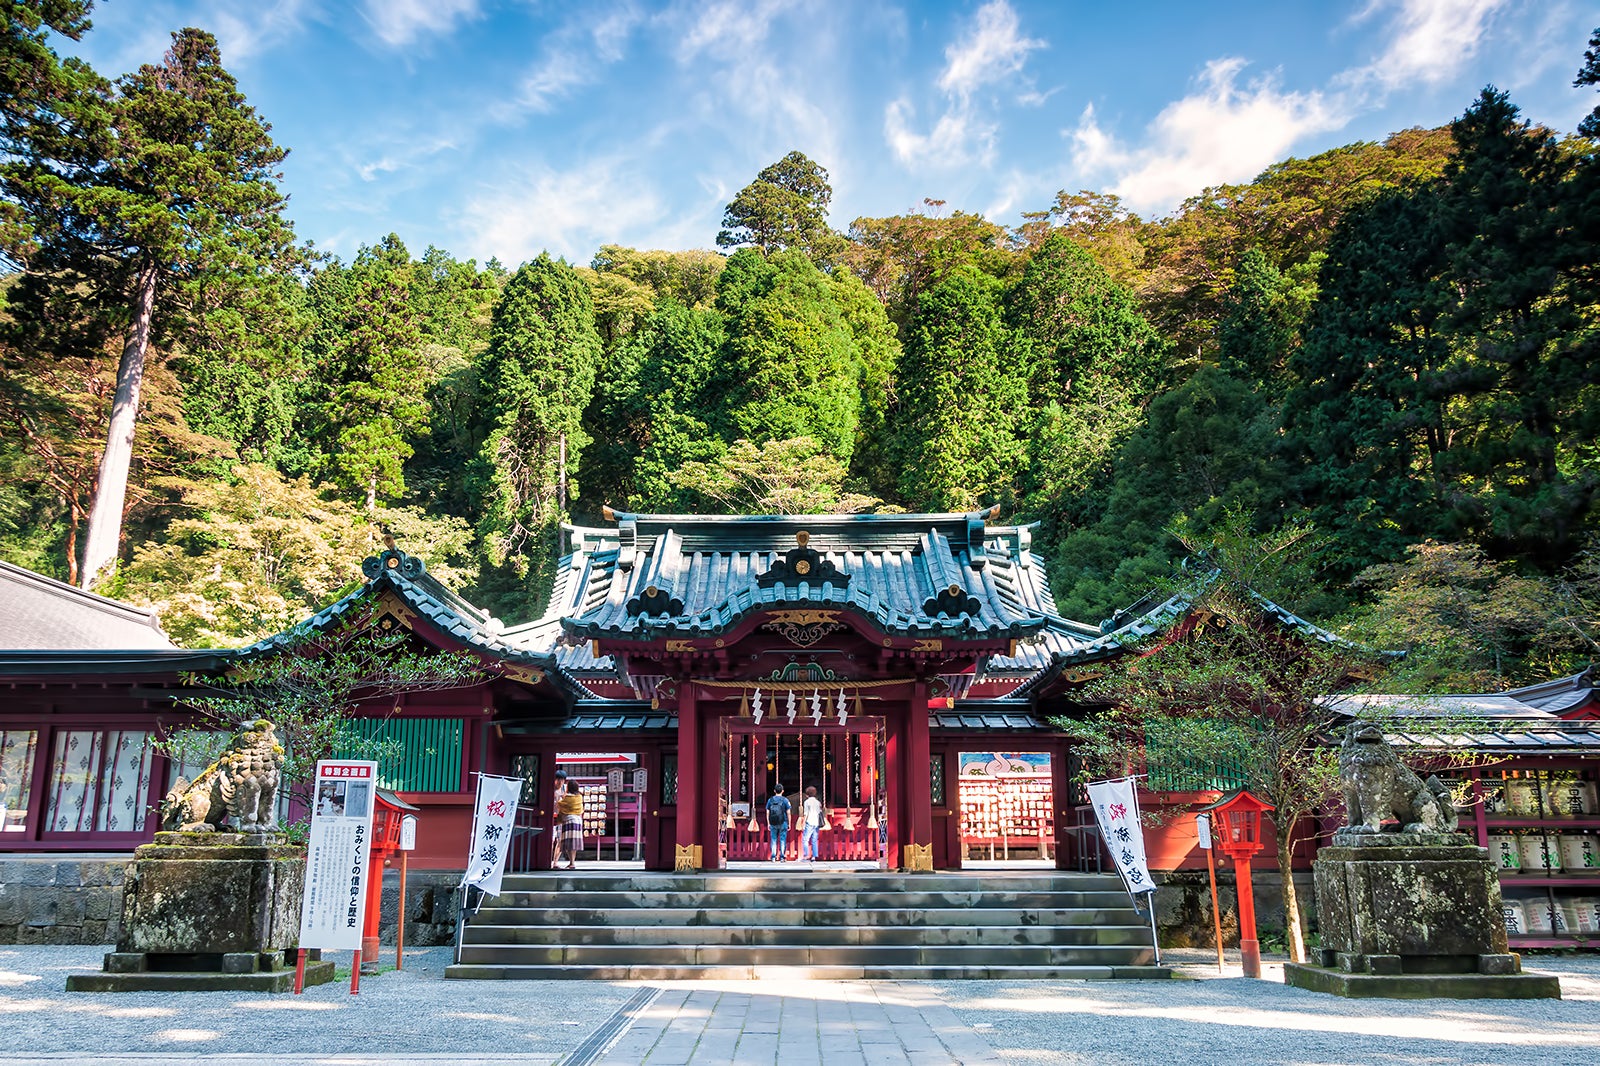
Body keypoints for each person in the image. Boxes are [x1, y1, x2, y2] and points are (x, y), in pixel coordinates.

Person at [553, 769, 584, 870]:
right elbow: (580, 809)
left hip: (565, 819)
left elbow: (560, 805)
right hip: (575, 820)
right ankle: (570, 863)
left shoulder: (566, 795)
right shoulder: (579, 796)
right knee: (569, 843)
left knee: (562, 841)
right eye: (558, 779)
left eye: (562, 780)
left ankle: (558, 863)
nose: (560, 782)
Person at [765, 784, 791, 862]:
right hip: (783, 822)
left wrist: (768, 823)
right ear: (782, 791)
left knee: (773, 839)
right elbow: (788, 812)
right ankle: (782, 857)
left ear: (774, 791)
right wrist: (789, 823)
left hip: (773, 822)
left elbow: (767, 812)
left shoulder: (770, 800)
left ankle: (773, 857)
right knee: (782, 840)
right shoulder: (785, 800)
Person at [799, 785, 823, 862]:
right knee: (814, 840)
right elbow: (820, 811)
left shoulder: (807, 802)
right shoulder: (818, 802)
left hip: (809, 821)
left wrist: (803, 823)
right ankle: (814, 856)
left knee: (805, 839)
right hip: (816, 822)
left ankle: (806, 855)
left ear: (807, 794)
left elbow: (806, 813)